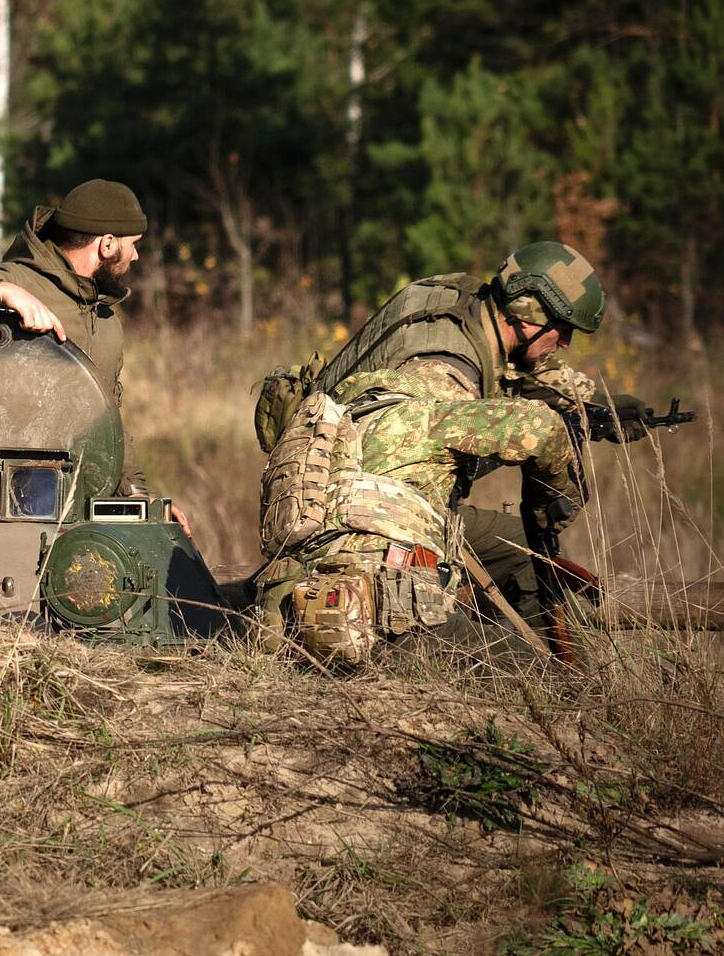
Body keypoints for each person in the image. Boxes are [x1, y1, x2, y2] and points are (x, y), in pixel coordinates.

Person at [256, 241, 633, 661]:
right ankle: (558, 673)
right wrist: (552, 509)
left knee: (520, 548)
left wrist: (593, 404)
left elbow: (523, 371)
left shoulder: (455, 308)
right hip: (371, 576)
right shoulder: (444, 376)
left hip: (329, 512)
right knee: (530, 670)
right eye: (562, 330)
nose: (564, 344)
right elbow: (538, 430)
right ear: (528, 314)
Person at [0, 179, 188, 531]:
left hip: (66, 513)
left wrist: (136, 495)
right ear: (107, 245)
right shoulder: (16, 283)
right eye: (133, 245)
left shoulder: (107, 323)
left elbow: (108, 423)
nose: (136, 256)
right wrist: (1, 292)